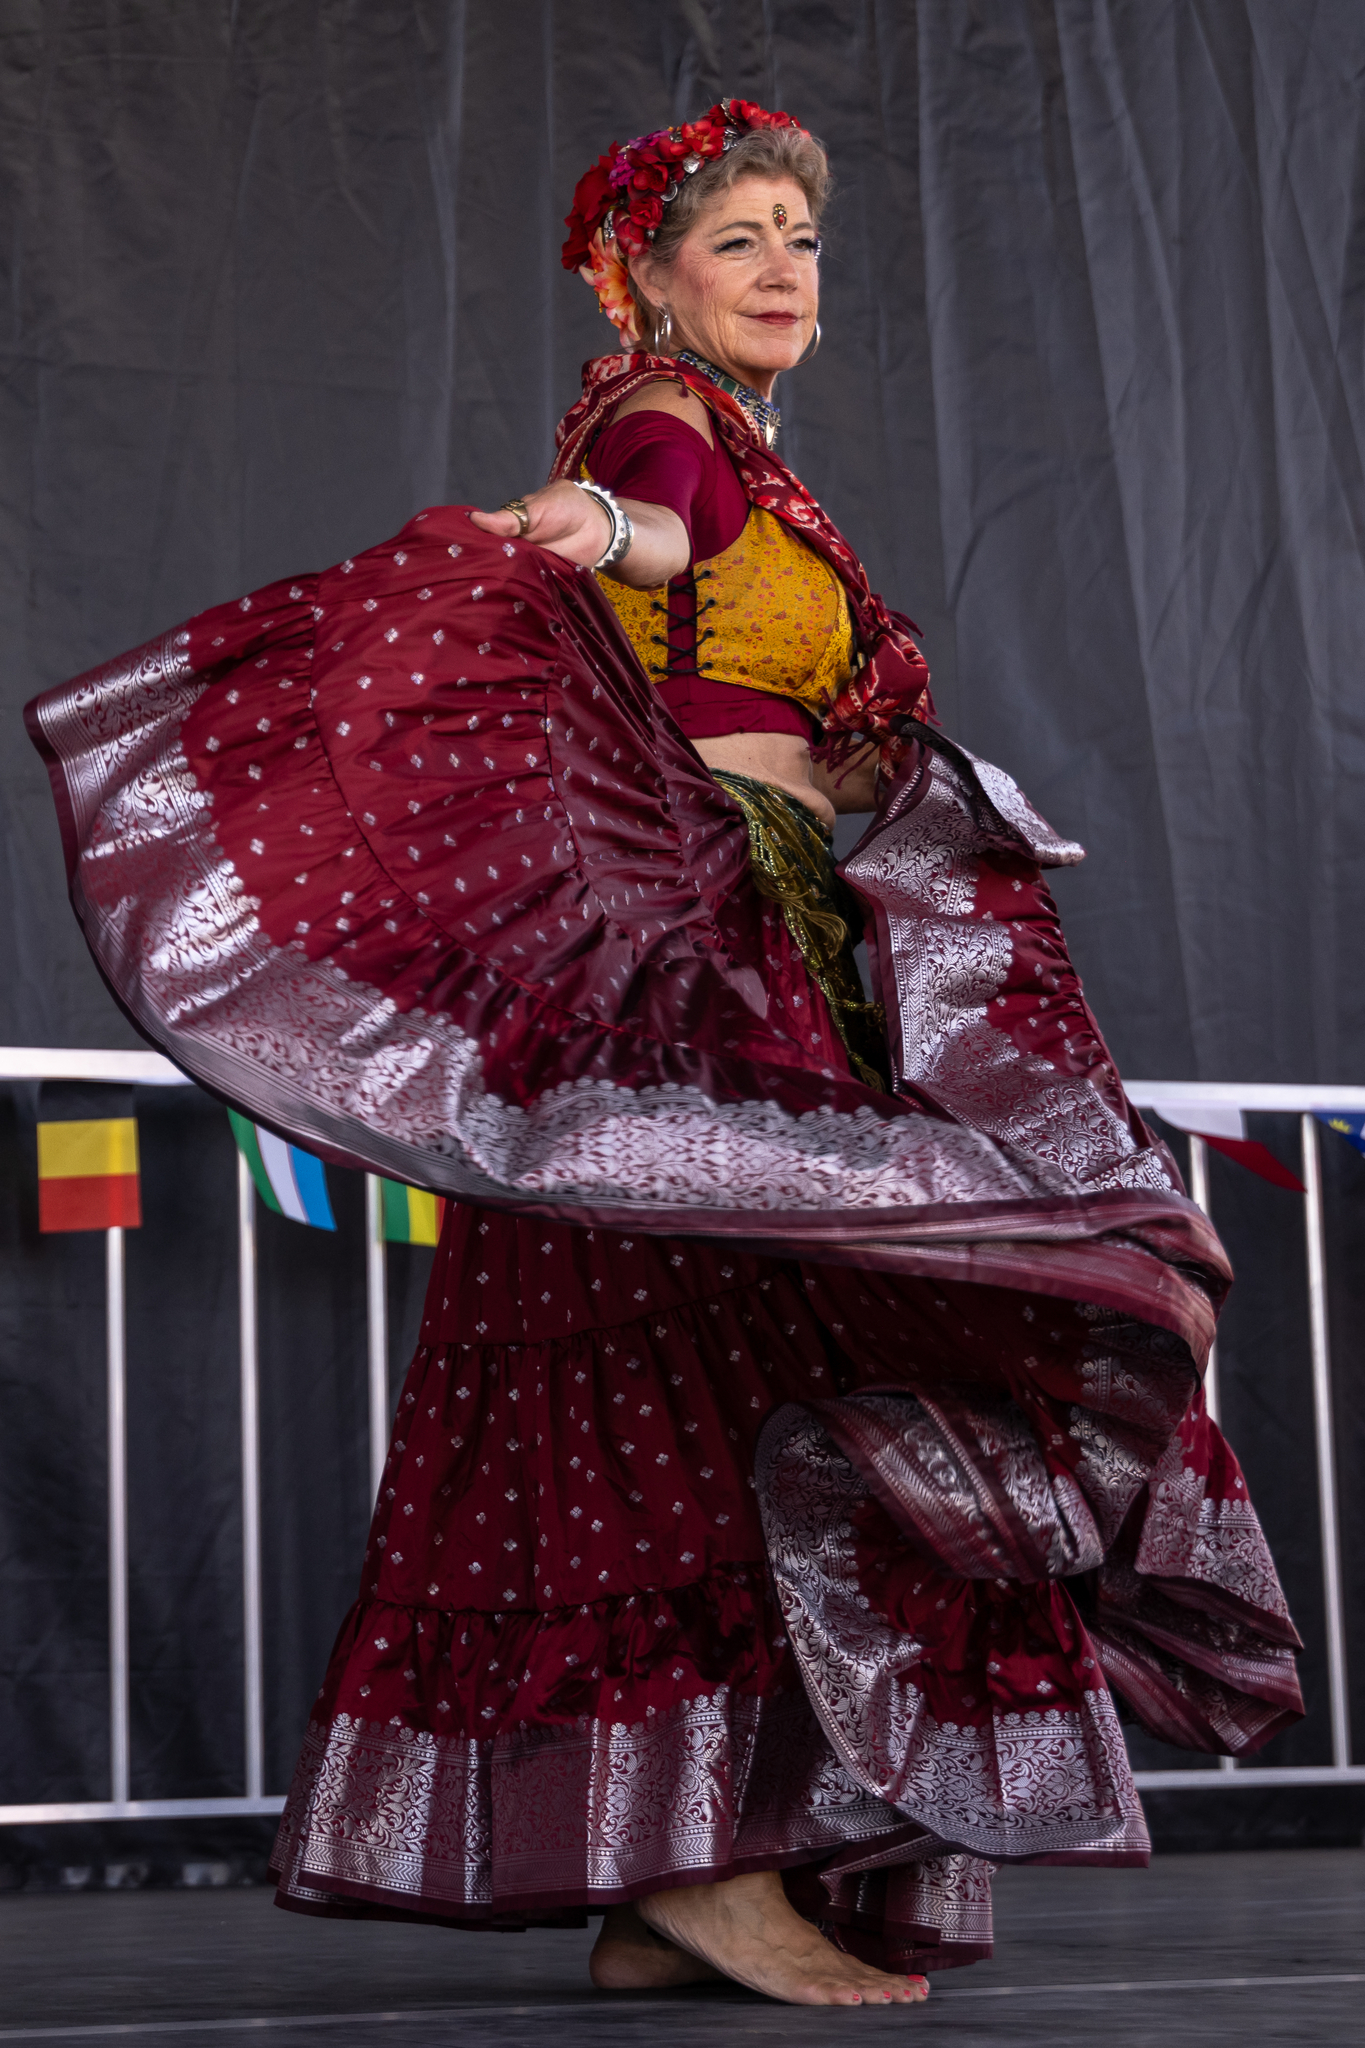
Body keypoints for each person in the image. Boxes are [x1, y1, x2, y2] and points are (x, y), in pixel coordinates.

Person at [27, 100, 1303, 2010]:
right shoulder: (662, 421)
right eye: (740, 239)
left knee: (746, 1361)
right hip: (698, 951)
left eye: (804, 237)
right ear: (643, 277)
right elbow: (644, 527)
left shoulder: (760, 463)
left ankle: (670, 1873)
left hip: (772, 920)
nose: (785, 267)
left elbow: (735, 638)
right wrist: (595, 526)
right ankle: (701, 1862)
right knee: (703, 1372)